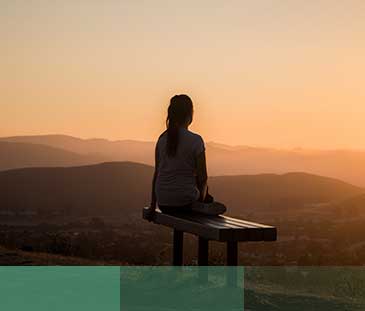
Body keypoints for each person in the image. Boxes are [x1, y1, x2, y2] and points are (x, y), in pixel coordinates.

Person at [145, 94, 226, 221]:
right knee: (207, 195)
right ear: (190, 114)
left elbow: (157, 174)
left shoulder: (162, 139)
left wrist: (152, 206)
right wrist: (202, 199)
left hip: (163, 203)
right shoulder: (196, 140)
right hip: (185, 202)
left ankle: (201, 204)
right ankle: (202, 205)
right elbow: (203, 178)